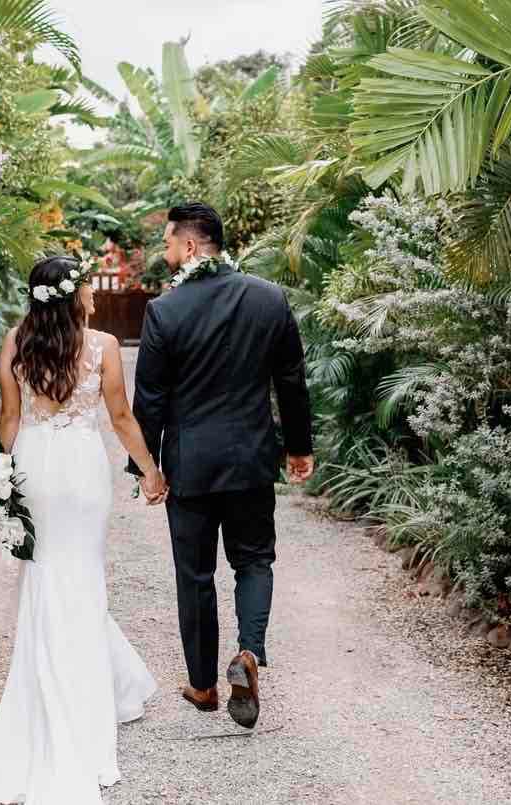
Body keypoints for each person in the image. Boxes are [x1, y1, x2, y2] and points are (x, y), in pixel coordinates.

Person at [0, 256, 163, 804]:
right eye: (88, 285)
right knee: (82, 575)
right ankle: (79, 704)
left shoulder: (17, 341)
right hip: (82, 467)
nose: (93, 293)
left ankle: (72, 679)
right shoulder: (104, 346)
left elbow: (10, 417)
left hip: (35, 466)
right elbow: (120, 418)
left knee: (47, 576)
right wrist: (150, 470)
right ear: (74, 294)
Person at [128, 202, 314, 729]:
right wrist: (298, 447)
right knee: (254, 560)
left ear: (190, 246)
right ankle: (249, 653)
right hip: (252, 458)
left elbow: (152, 401)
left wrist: (145, 467)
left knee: (196, 574)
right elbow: (291, 381)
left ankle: (204, 686)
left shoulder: (165, 311)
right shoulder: (268, 297)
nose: (164, 254)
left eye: (167, 243)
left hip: (190, 466)